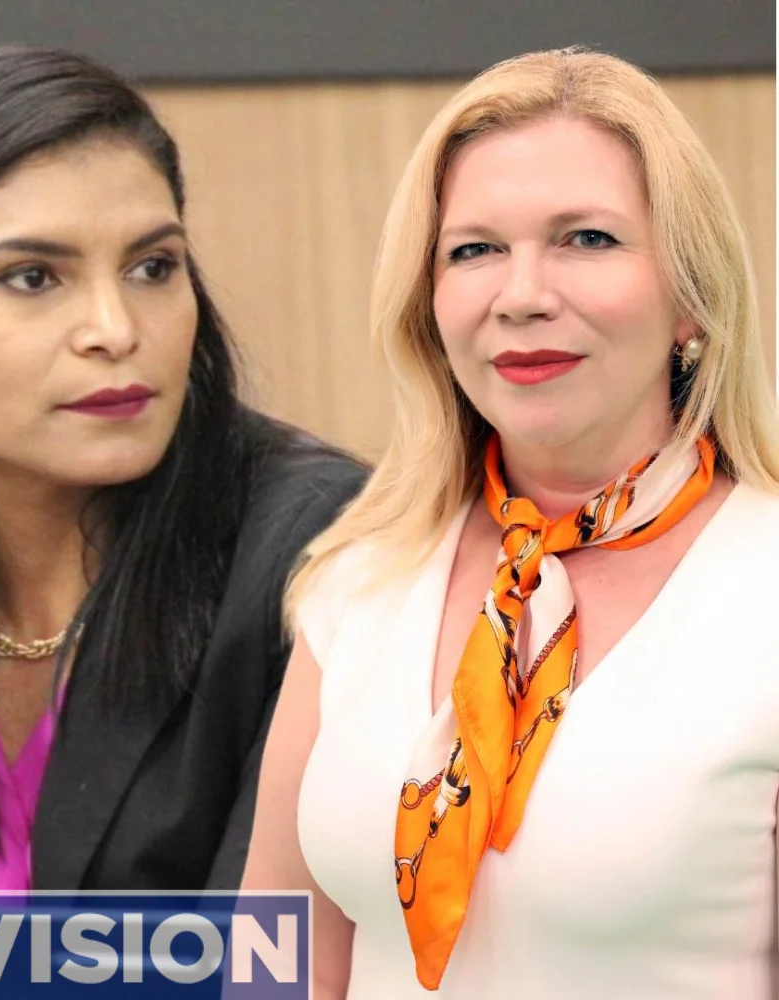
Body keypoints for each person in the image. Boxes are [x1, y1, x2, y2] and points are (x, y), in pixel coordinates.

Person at [242, 46, 779, 998]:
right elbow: (276, 966)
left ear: (692, 300)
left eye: (588, 239)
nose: (522, 295)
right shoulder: (355, 582)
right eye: (475, 250)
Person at [0, 45, 366, 894]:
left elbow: (273, 956)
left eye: (152, 268)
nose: (115, 329)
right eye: (32, 278)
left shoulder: (318, 558)